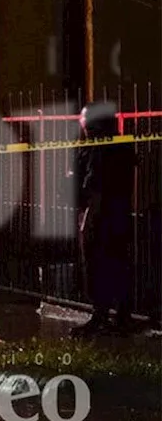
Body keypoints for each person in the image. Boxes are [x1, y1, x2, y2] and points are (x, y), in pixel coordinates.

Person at [70, 102, 136, 336]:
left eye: (84, 119)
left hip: (98, 213)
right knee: (118, 262)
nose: (82, 123)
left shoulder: (98, 148)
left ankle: (100, 316)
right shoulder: (121, 146)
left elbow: (91, 183)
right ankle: (121, 314)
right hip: (119, 212)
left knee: (96, 263)